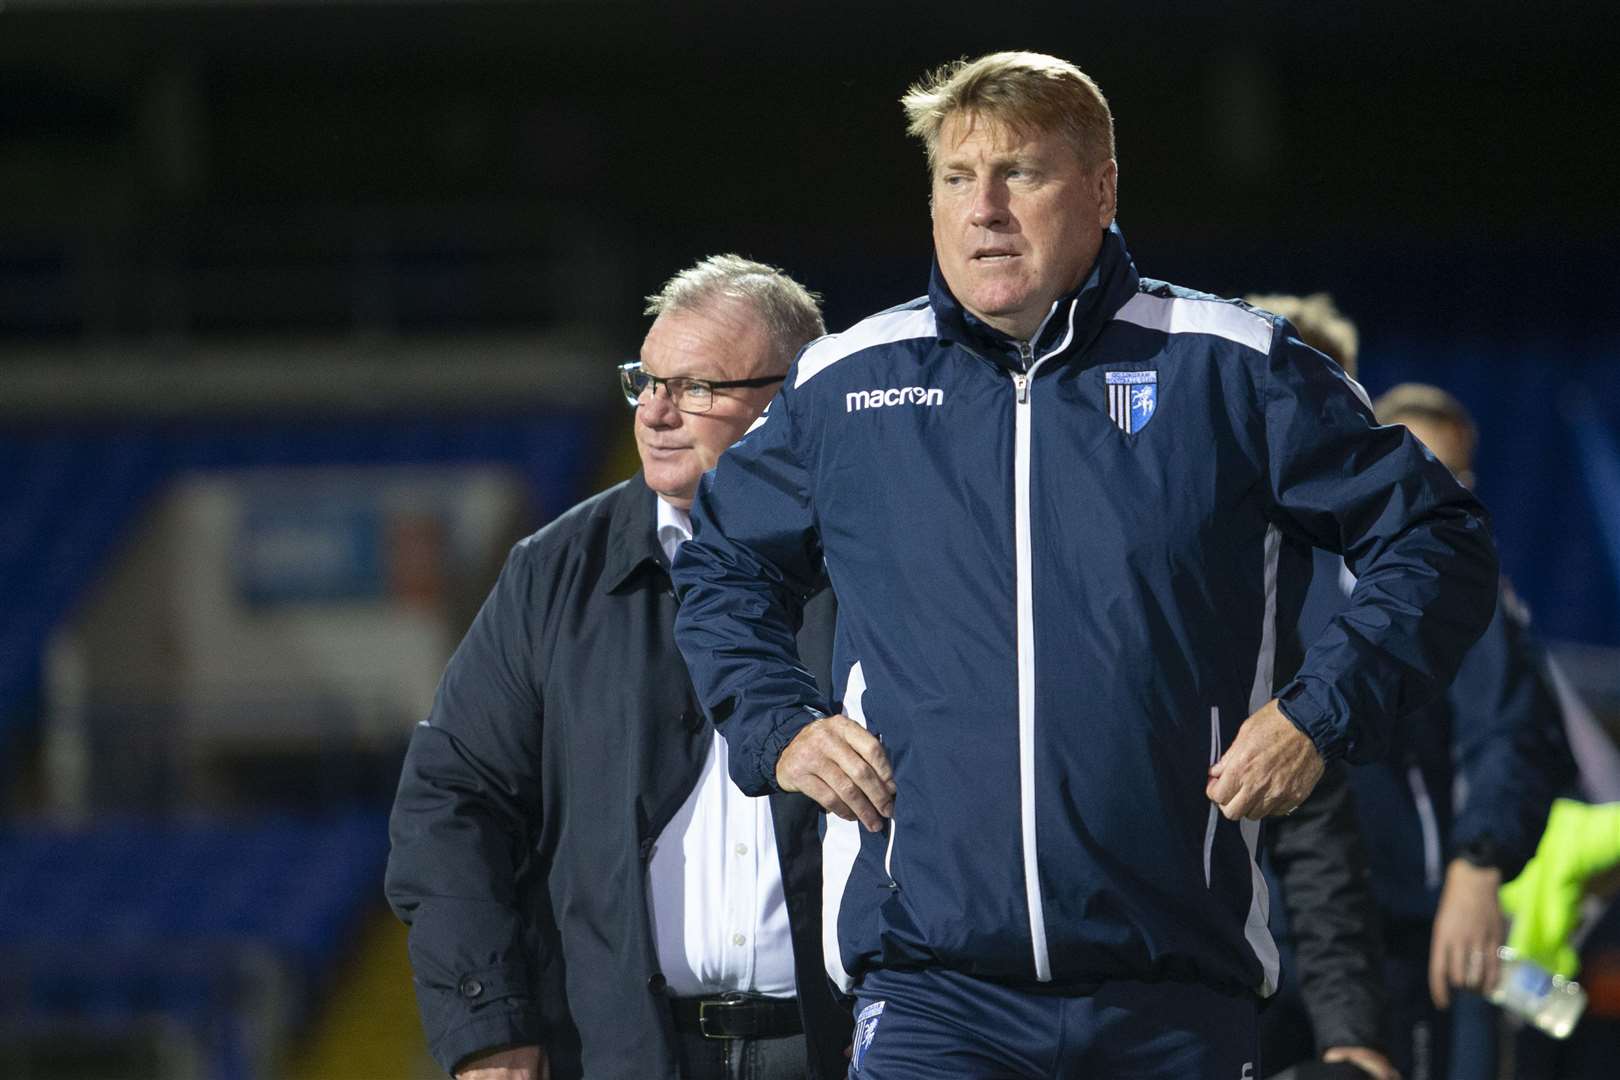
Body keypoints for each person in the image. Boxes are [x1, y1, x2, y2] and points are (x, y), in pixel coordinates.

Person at [671, 52, 1499, 1079]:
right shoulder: (849, 386)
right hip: (933, 995)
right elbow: (719, 569)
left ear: (1101, 191)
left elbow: (1437, 539)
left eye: (1019, 173)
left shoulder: (1227, 366)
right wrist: (780, 724)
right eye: (955, 177)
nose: (984, 210)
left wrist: (1319, 715)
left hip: (1171, 994)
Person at [385, 255, 850, 1080]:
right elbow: (453, 799)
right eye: (646, 381)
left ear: (792, 399)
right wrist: (488, 1023)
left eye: (698, 387)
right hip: (621, 1055)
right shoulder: (554, 570)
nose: (657, 413)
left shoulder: (879, 559)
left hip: (845, 1049)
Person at [1295, 383, 1574, 1080]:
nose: (1436, 494)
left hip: (1420, 941)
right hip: (1294, 941)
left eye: (1455, 478)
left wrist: (1478, 867)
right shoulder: (1290, 584)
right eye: (1419, 469)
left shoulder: (1468, 603)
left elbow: (1513, 733)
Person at [1247, 294, 1395, 1080]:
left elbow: (1315, 822)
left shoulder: (1388, 574)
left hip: (1319, 953)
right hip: (1172, 971)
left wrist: (1349, 1030)